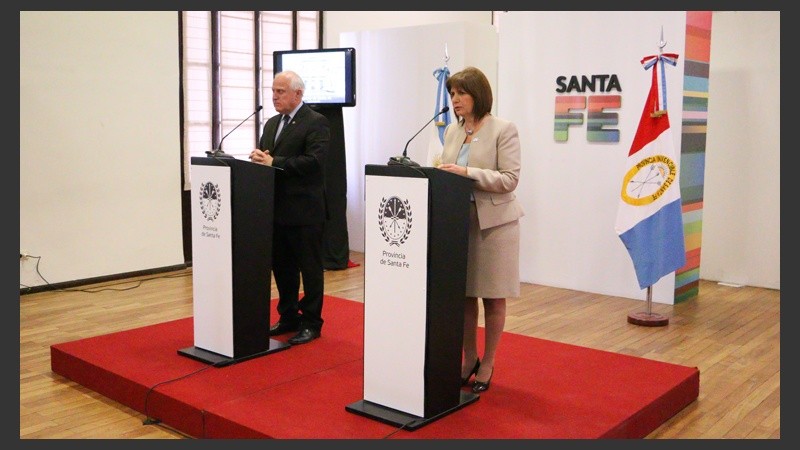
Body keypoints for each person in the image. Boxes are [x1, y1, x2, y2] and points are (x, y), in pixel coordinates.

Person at [437, 66, 524, 393]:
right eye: (453, 94)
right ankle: (468, 357)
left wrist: (466, 172)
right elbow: (447, 171)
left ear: (478, 94)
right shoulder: (452, 131)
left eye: (461, 93)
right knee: (464, 296)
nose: (455, 100)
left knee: (492, 297)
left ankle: (488, 362)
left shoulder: (504, 129)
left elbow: (509, 180)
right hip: (457, 222)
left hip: (494, 225)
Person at [249, 70, 330, 345]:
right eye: (273, 91)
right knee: (282, 268)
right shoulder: (272, 123)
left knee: (309, 269)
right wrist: (259, 158)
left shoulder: (316, 122)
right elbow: (267, 156)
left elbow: (314, 162)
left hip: (305, 211)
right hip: (276, 209)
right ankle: (288, 316)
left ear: (298, 94)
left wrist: (275, 162)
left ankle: (311, 322)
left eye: (280, 91)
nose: (274, 96)